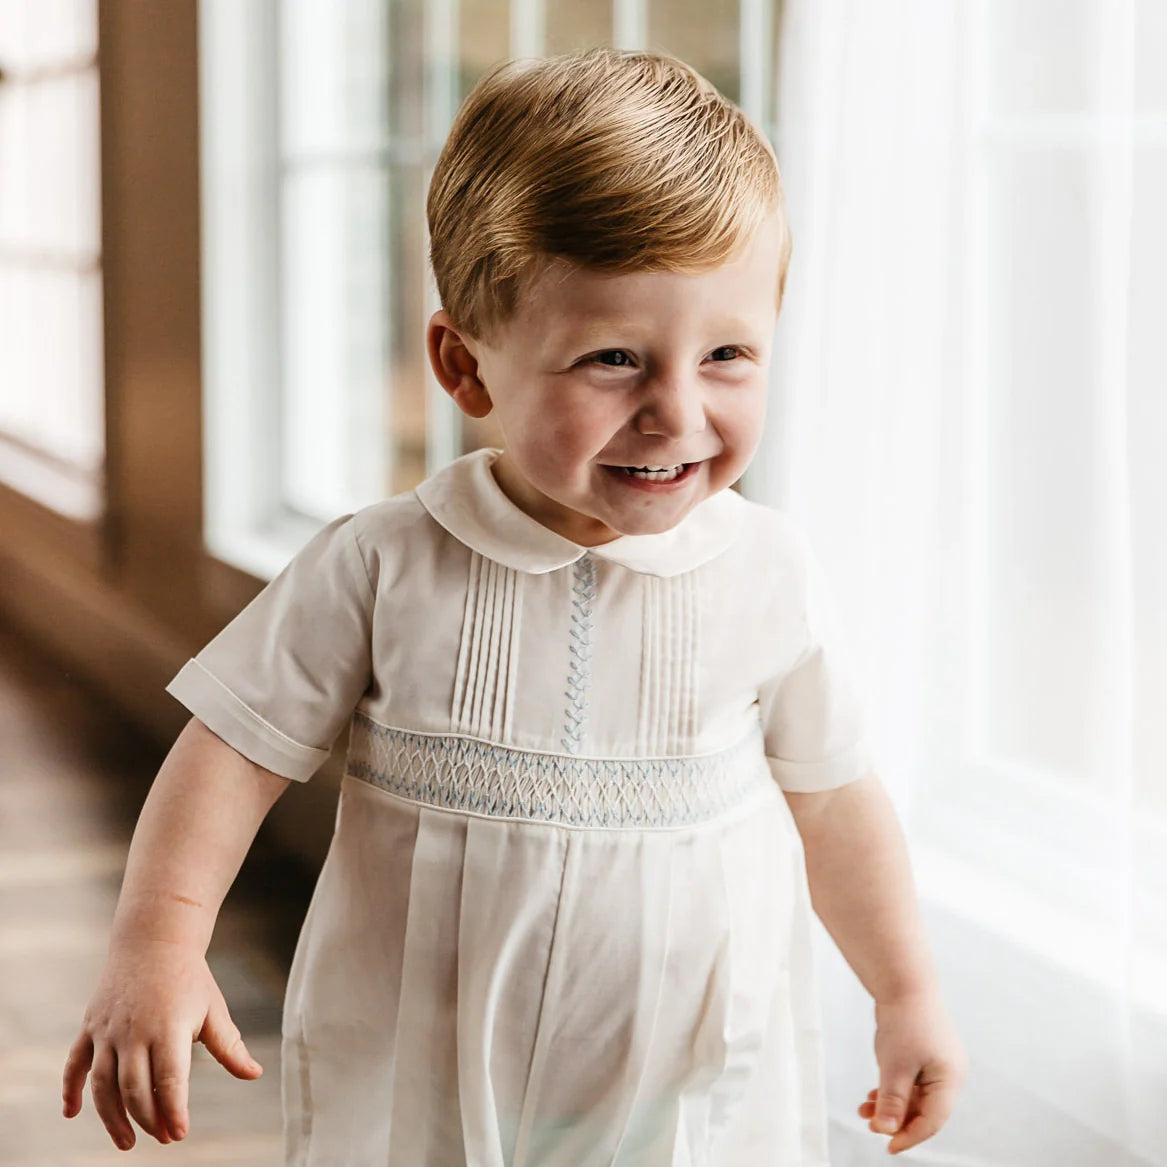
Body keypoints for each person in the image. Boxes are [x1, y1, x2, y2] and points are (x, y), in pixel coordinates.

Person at [62, 47, 966, 1164]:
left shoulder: (767, 571)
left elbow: (834, 803)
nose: (676, 413)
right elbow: (232, 750)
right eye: (613, 359)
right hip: (426, 1071)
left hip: (683, 1079)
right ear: (465, 366)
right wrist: (158, 942)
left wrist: (905, 992)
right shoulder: (383, 562)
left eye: (728, 353)